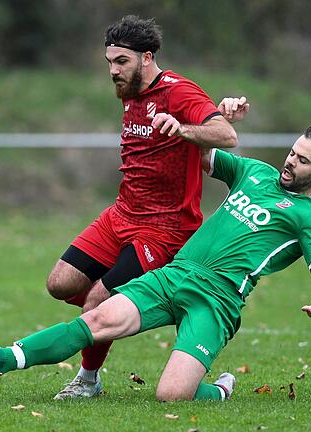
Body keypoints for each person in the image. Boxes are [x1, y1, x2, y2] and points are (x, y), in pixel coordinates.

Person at [0, 117, 311, 401]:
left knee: (171, 396)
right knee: (95, 318)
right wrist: (217, 117)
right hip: (175, 274)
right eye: (292, 153)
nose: (291, 162)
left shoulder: (307, 218)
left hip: (217, 302)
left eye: (303, 161)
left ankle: (220, 390)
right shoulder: (255, 172)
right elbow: (202, 154)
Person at [44, 15, 246, 400]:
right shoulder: (130, 93)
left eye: (121, 61)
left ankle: (88, 381)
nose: (113, 70)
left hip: (165, 229)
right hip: (121, 215)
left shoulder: (178, 92)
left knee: (97, 299)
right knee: (60, 283)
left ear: (146, 57)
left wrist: (182, 129)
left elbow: (227, 134)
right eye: (109, 62)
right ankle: (141, 306)